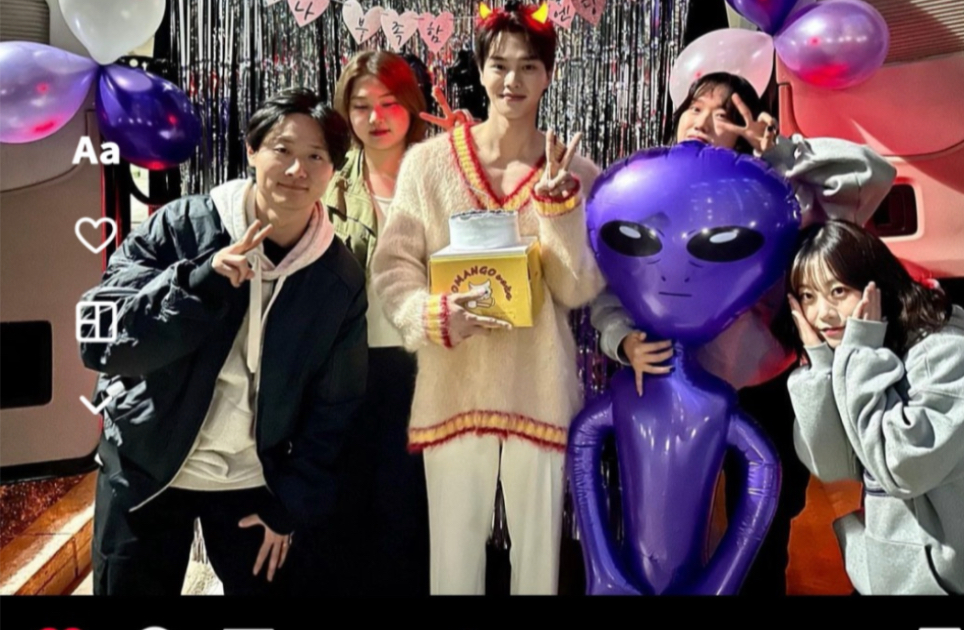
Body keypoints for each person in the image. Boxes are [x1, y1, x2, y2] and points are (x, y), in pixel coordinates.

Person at [588, 71, 896, 594]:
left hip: (764, 386)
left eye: (724, 115)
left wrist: (778, 153)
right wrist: (621, 339)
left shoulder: (775, 195)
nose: (704, 121)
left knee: (762, 532)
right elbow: (610, 281)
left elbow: (871, 176)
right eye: (695, 107)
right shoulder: (649, 187)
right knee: (661, 533)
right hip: (670, 386)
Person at [79, 88, 367, 595]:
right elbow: (99, 338)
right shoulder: (182, 227)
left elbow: (335, 405)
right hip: (146, 468)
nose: (296, 169)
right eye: (282, 149)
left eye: (315, 156)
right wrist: (198, 284)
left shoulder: (336, 277)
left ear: (333, 171)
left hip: (253, 482)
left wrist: (290, 504)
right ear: (251, 150)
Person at [370, 1, 604, 595]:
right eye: (499, 65)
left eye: (528, 66)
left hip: (538, 385)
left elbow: (577, 289)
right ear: (479, 69)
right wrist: (428, 316)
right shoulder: (429, 164)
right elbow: (393, 266)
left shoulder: (576, 171)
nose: (512, 80)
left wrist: (558, 209)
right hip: (453, 386)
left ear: (548, 75)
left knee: (538, 567)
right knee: (452, 565)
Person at [786, 219, 964, 595]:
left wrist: (860, 355)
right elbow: (834, 464)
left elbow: (902, 468)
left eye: (838, 291)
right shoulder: (857, 357)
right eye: (808, 296)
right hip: (899, 574)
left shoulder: (948, 354)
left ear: (877, 285)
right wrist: (821, 365)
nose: (823, 314)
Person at [317, 50, 430, 595]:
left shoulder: (443, 176)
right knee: (348, 510)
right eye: (361, 105)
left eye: (389, 102)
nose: (375, 117)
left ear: (412, 104)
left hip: (426, 369)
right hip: (347, 369)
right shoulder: (327, 182)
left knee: (411, 512)